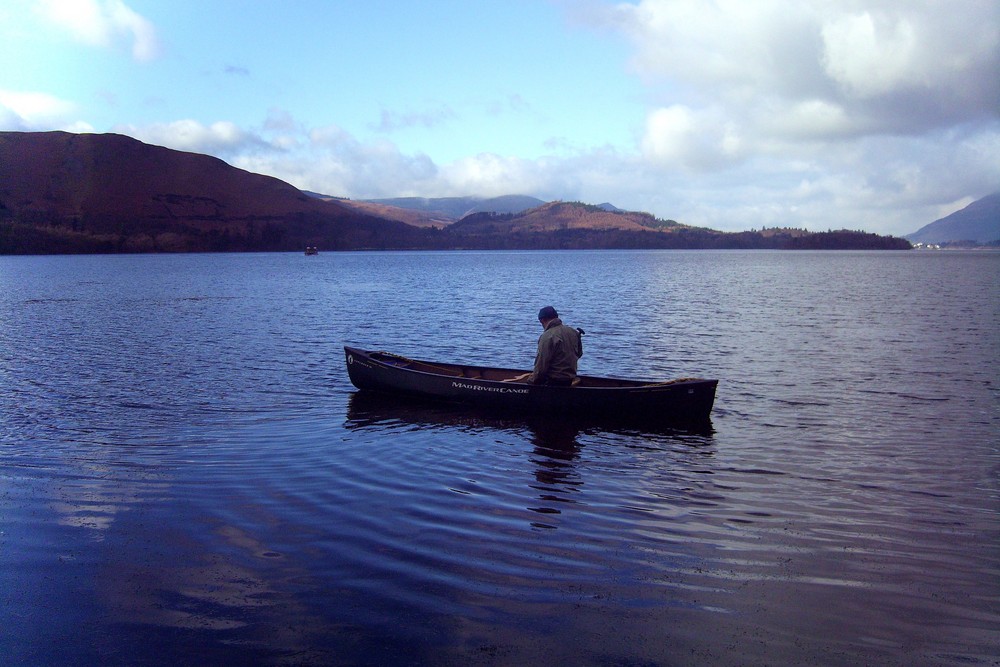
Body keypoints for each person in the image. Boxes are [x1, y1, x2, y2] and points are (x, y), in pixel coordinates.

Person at [508, 306, 584, 386]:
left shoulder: (547, 336)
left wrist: (531, 380)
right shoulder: (573, 332)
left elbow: (542, 364)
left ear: (542, 320)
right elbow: (579, 354)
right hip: (569, 379)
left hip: (552, 382)